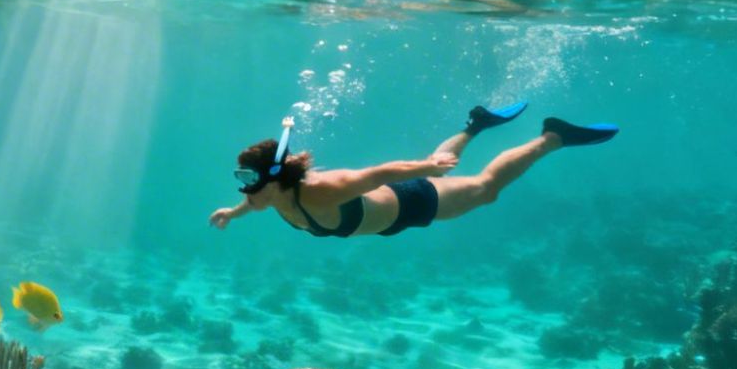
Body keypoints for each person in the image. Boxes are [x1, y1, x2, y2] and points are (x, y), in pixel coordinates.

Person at [209, 105, 616, 238]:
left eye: (249, 181)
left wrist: (425, 167)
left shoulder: (323, 190)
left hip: (411, 202)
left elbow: (380, 172)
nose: (245, 190)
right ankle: (476, 124)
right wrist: (232, 211)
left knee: (487, 189)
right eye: (241, 181)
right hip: (391, 211)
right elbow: (254, 205)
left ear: (275, 179)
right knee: (439, 168)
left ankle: (553, 137)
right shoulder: (268, 197)